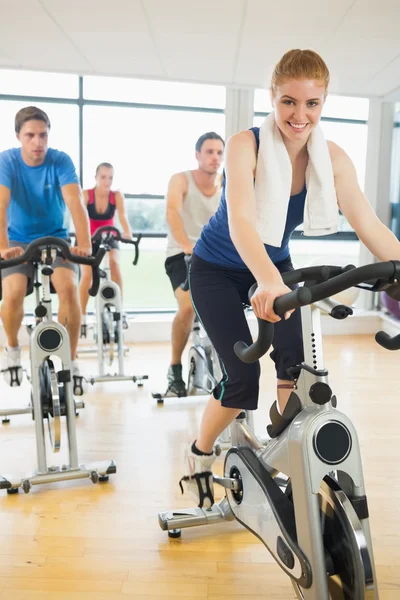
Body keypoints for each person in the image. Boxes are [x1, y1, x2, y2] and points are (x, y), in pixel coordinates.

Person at [179, 49, 400, 508]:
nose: (300, 116)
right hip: (217, 267)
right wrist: (267, 281)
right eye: (288, 102)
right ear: (272, 98)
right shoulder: (246, 146)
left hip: (273, 265)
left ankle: (286, 461)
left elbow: (370, 225)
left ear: (324, 102)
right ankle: (200, 453)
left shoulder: (331, 157)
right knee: (241, 379)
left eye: (312, 104)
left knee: (295, 370)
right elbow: (242, 221)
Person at [0, 106, 91, 383]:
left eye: (43, 135)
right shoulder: (7, 162)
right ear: (18, 136)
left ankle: (71, 360)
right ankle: (13, 348)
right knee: (13, 292)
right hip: (17, 240)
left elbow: (76, 203)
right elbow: (1, 206)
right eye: (30, 136)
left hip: (56, 237)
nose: (38, 142)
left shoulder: (60, 161)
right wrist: (3, 247)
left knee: (69, 291)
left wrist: (83, 243)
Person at [164, 131, 225, 396]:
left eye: (220, 152)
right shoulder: (181, 180)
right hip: (182, 253)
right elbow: (172, 211)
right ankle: (175, 370)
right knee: (188, 308)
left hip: (215, 256)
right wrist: (186, 244)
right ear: (198, 155)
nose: (215, 157)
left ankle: (227, 372)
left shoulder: (226, 184)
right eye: (209, 152)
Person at [79, 162, 132, 326]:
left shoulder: (116, 196)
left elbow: (123, 217)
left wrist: (127, 232)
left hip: (109, 236)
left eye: (110, 178)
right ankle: (81, 316)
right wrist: (83, 239)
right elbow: (80, 220)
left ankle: (119, 310)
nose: (107, 181)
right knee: (88, 275)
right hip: (89, 237)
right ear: (96, 177)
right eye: (103, 177)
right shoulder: (87, 195)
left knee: (115, 264)